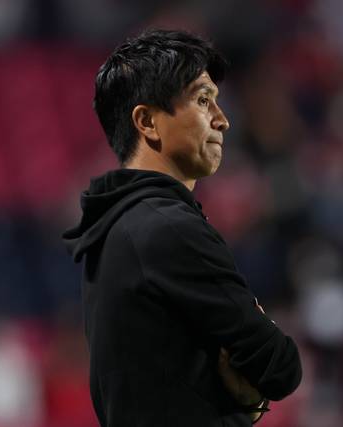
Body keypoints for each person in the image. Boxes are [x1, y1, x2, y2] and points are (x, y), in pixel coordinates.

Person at [63, 29, 302, 426]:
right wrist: (246, 389)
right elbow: (281, 368)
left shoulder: (111, 226)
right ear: (147, 122)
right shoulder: (169, 228)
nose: (222, 120)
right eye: (203, 101)